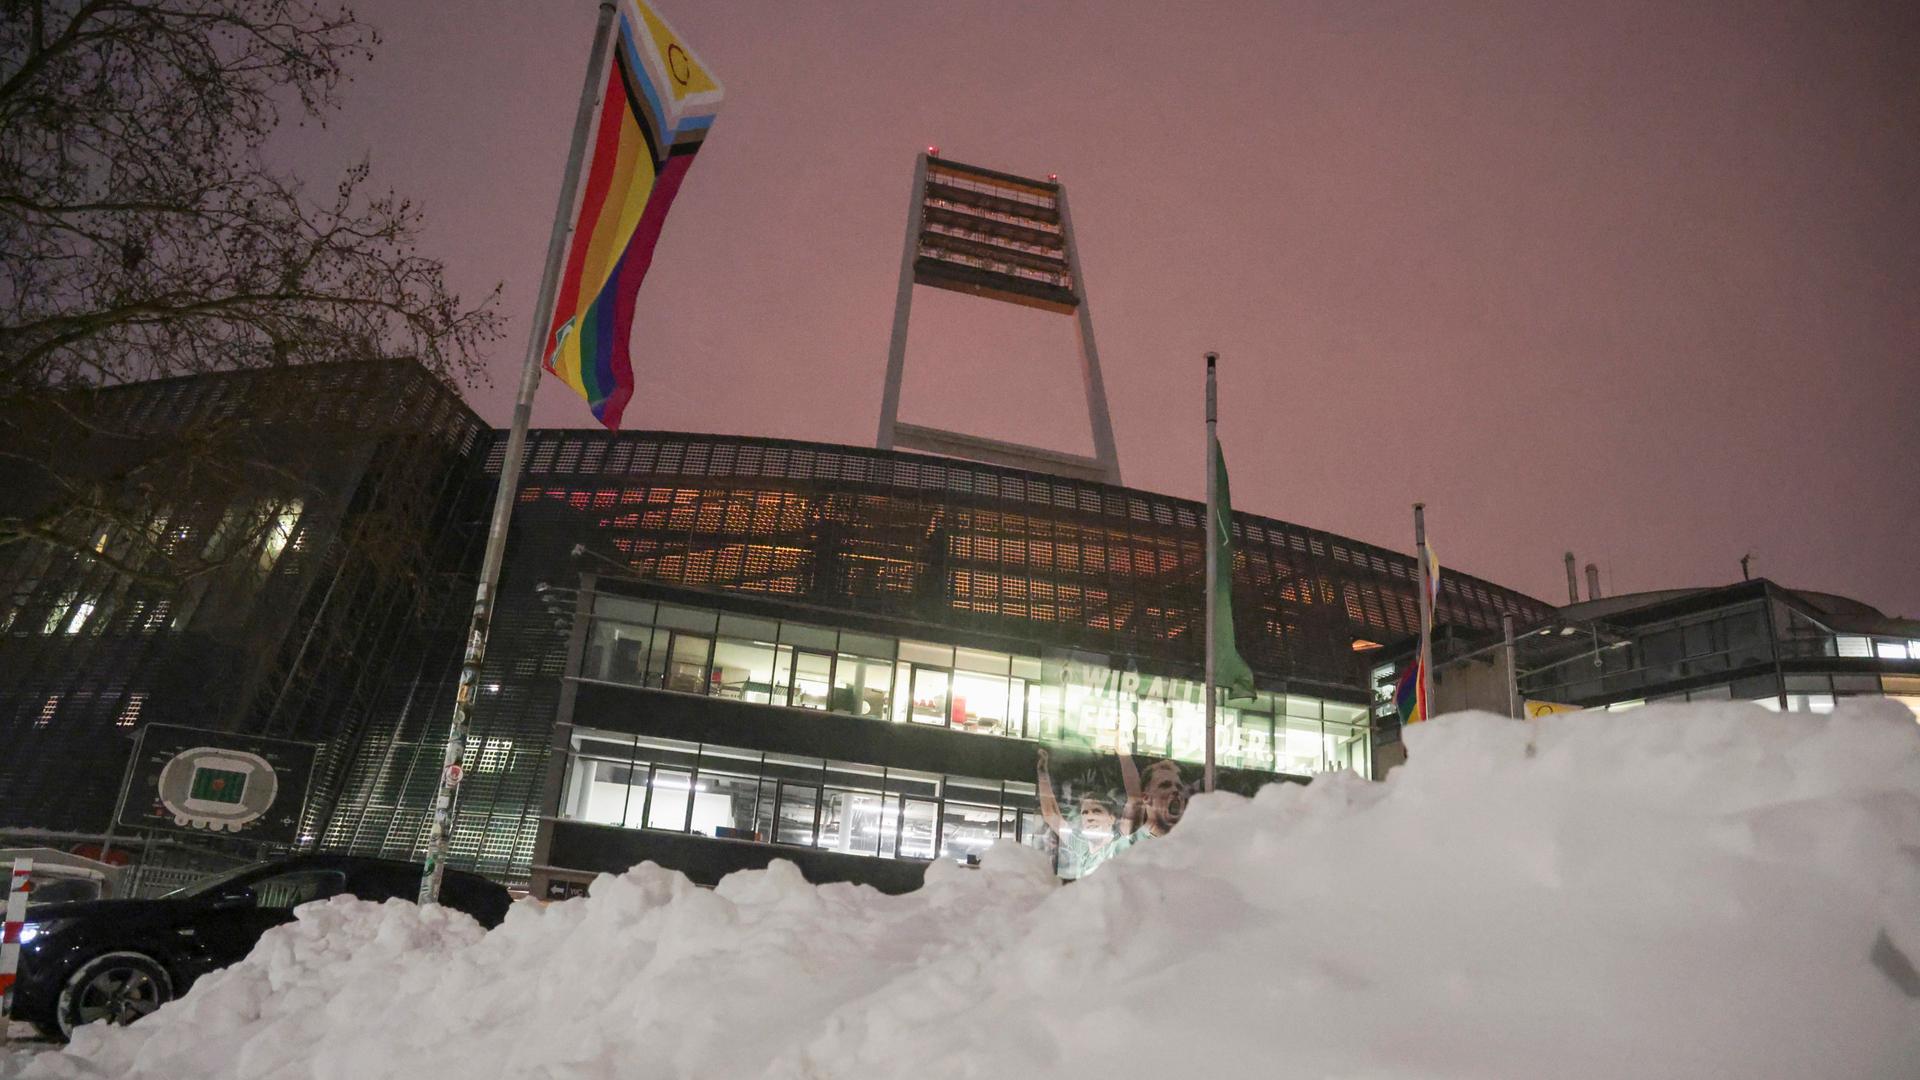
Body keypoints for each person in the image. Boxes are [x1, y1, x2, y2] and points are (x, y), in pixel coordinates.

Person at [1035, 746, 1140, 879]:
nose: (1089, 817)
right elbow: (1051, 816)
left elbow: (1135, 800)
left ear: (1111, 818)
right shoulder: (1082, 848)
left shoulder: (1117, 844)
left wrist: (1123, 751)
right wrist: (1042, 772)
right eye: (1085, 813)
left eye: (1097, 811)